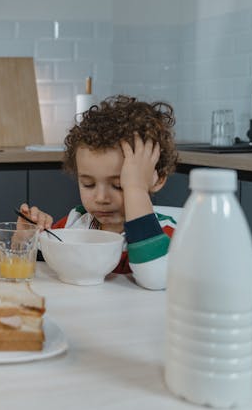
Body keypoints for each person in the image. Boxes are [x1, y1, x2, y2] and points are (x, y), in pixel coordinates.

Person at [22, 95, 179, 290]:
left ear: (158, 179)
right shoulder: (76, 222)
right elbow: (39, 264)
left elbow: (155, 278)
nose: (101, 198)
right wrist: (26, 236)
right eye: (88, 184)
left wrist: (136, 189)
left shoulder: (169, 232)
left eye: (120, 185)